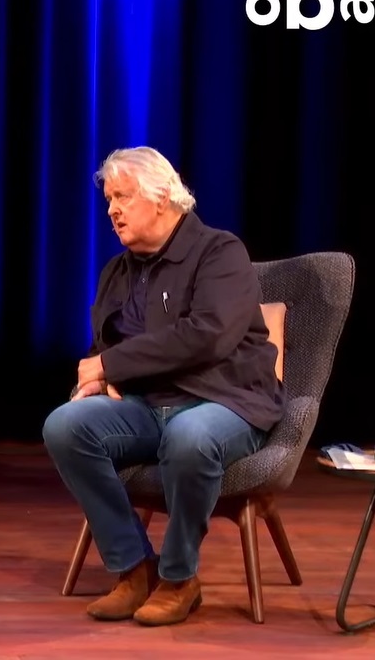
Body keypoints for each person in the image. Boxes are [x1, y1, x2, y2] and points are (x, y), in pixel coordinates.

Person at [41, 146, 283, 627]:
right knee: (65, 426)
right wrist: (99, 379)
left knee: (189, 436)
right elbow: (102, 347)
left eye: (123, 197)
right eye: (109, 199)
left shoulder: (220, 252)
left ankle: (179, 579)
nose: (111, 210)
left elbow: (208, 335)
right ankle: (134, 568)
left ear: (162, 197)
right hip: (148, 405)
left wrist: (110, 363)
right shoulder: (116, 272)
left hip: (226, 400)